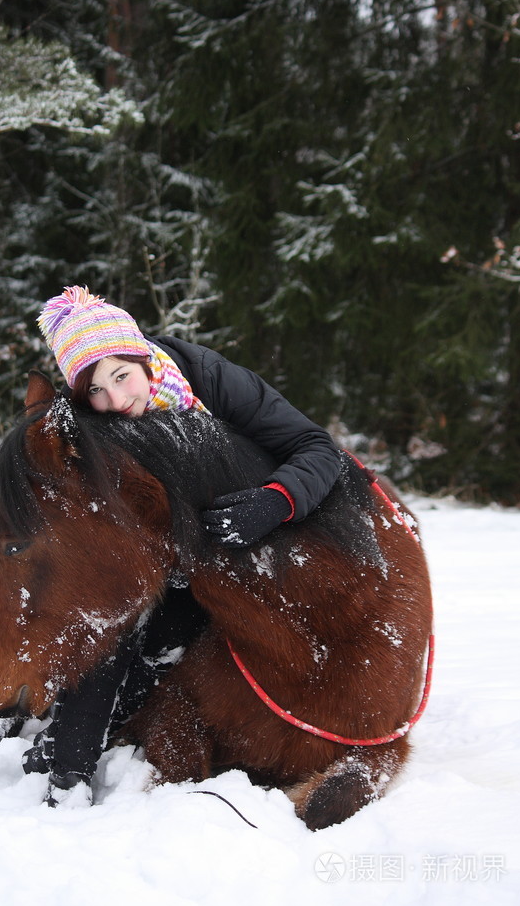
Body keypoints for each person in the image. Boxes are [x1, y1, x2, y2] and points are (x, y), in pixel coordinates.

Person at [24, 284, 341, 803]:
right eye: (96, 392)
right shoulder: (94, 419)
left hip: (235, 542)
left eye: (122, 377)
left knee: (173, 634)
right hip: (155, 553)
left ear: (143, 358)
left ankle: (103, 726)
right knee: (113, 618)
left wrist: (276, 500)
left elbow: (316, 446)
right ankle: (67, 757)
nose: (117, 402)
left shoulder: (210, 378)